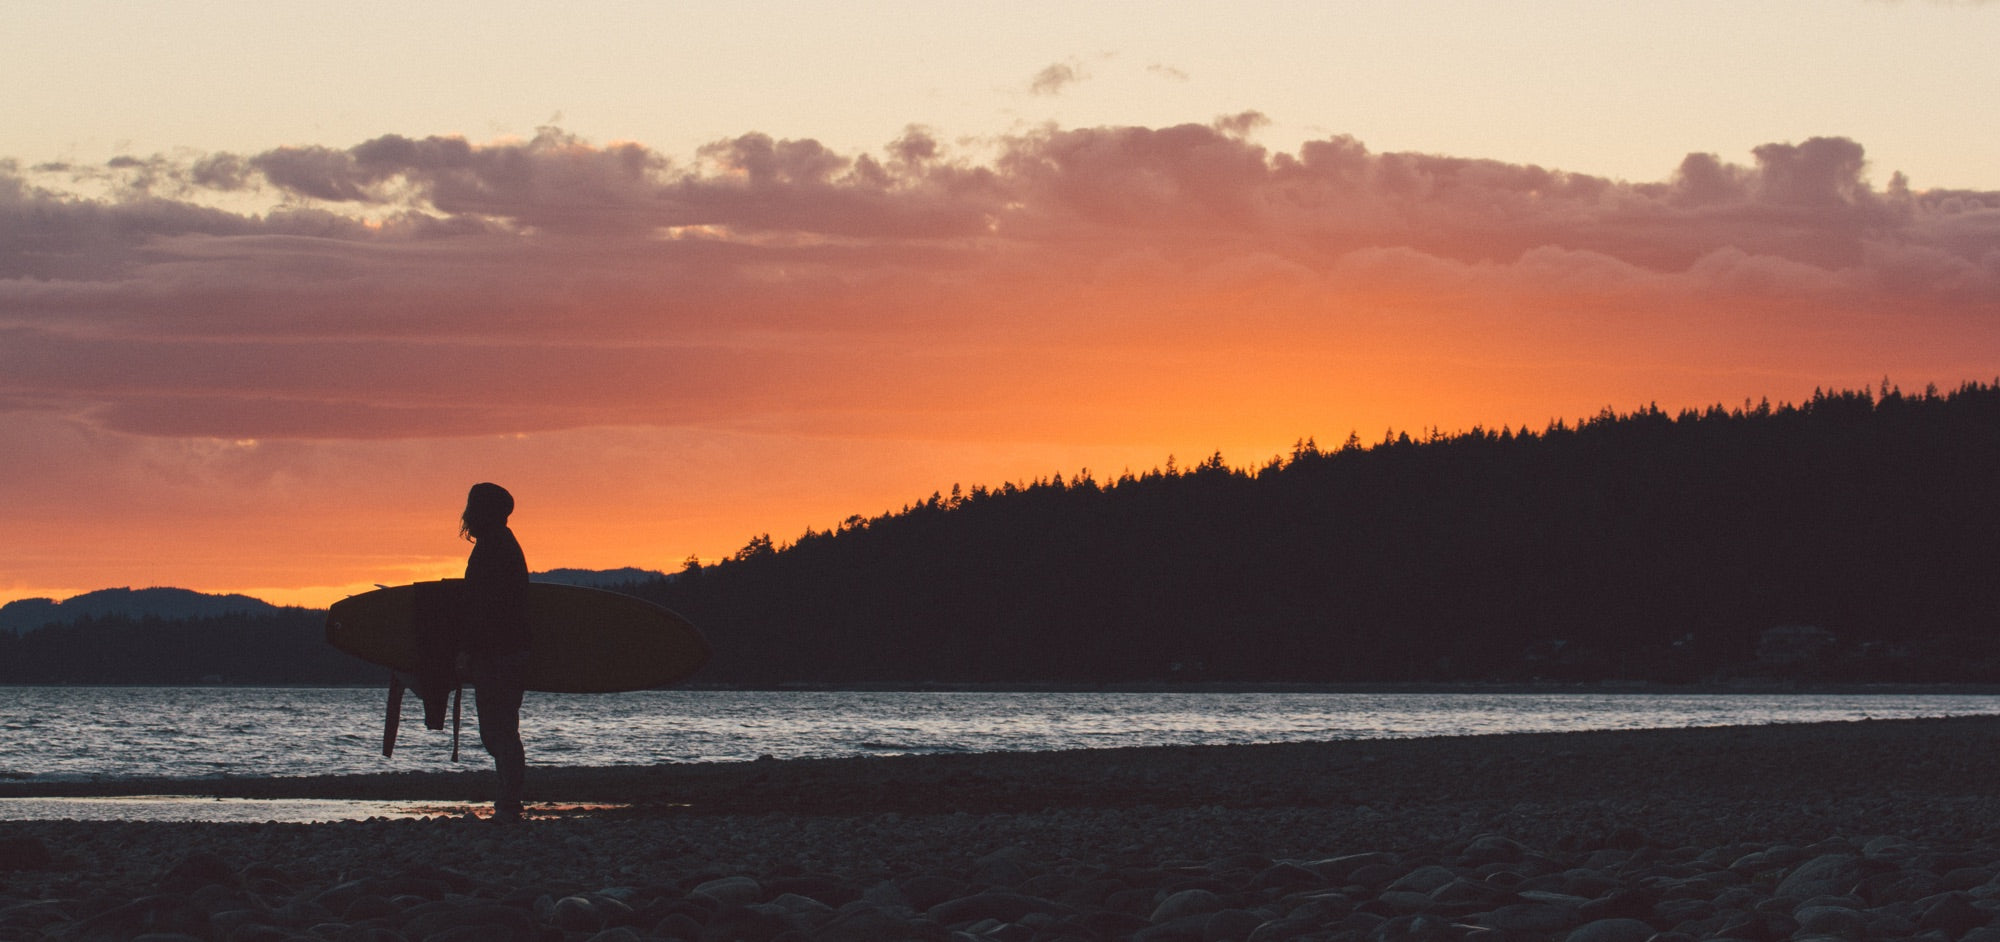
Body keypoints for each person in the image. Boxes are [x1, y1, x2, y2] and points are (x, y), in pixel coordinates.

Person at [459, 482, 532, 823]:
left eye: (472, 507)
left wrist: (470, 650)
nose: (467, 514)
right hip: (506, 650)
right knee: (500, 728)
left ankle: (509, 802)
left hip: (499, 653)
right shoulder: (500, 543)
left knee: (498, 729)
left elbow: (484, 607)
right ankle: (508, 799)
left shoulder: (494, 546)